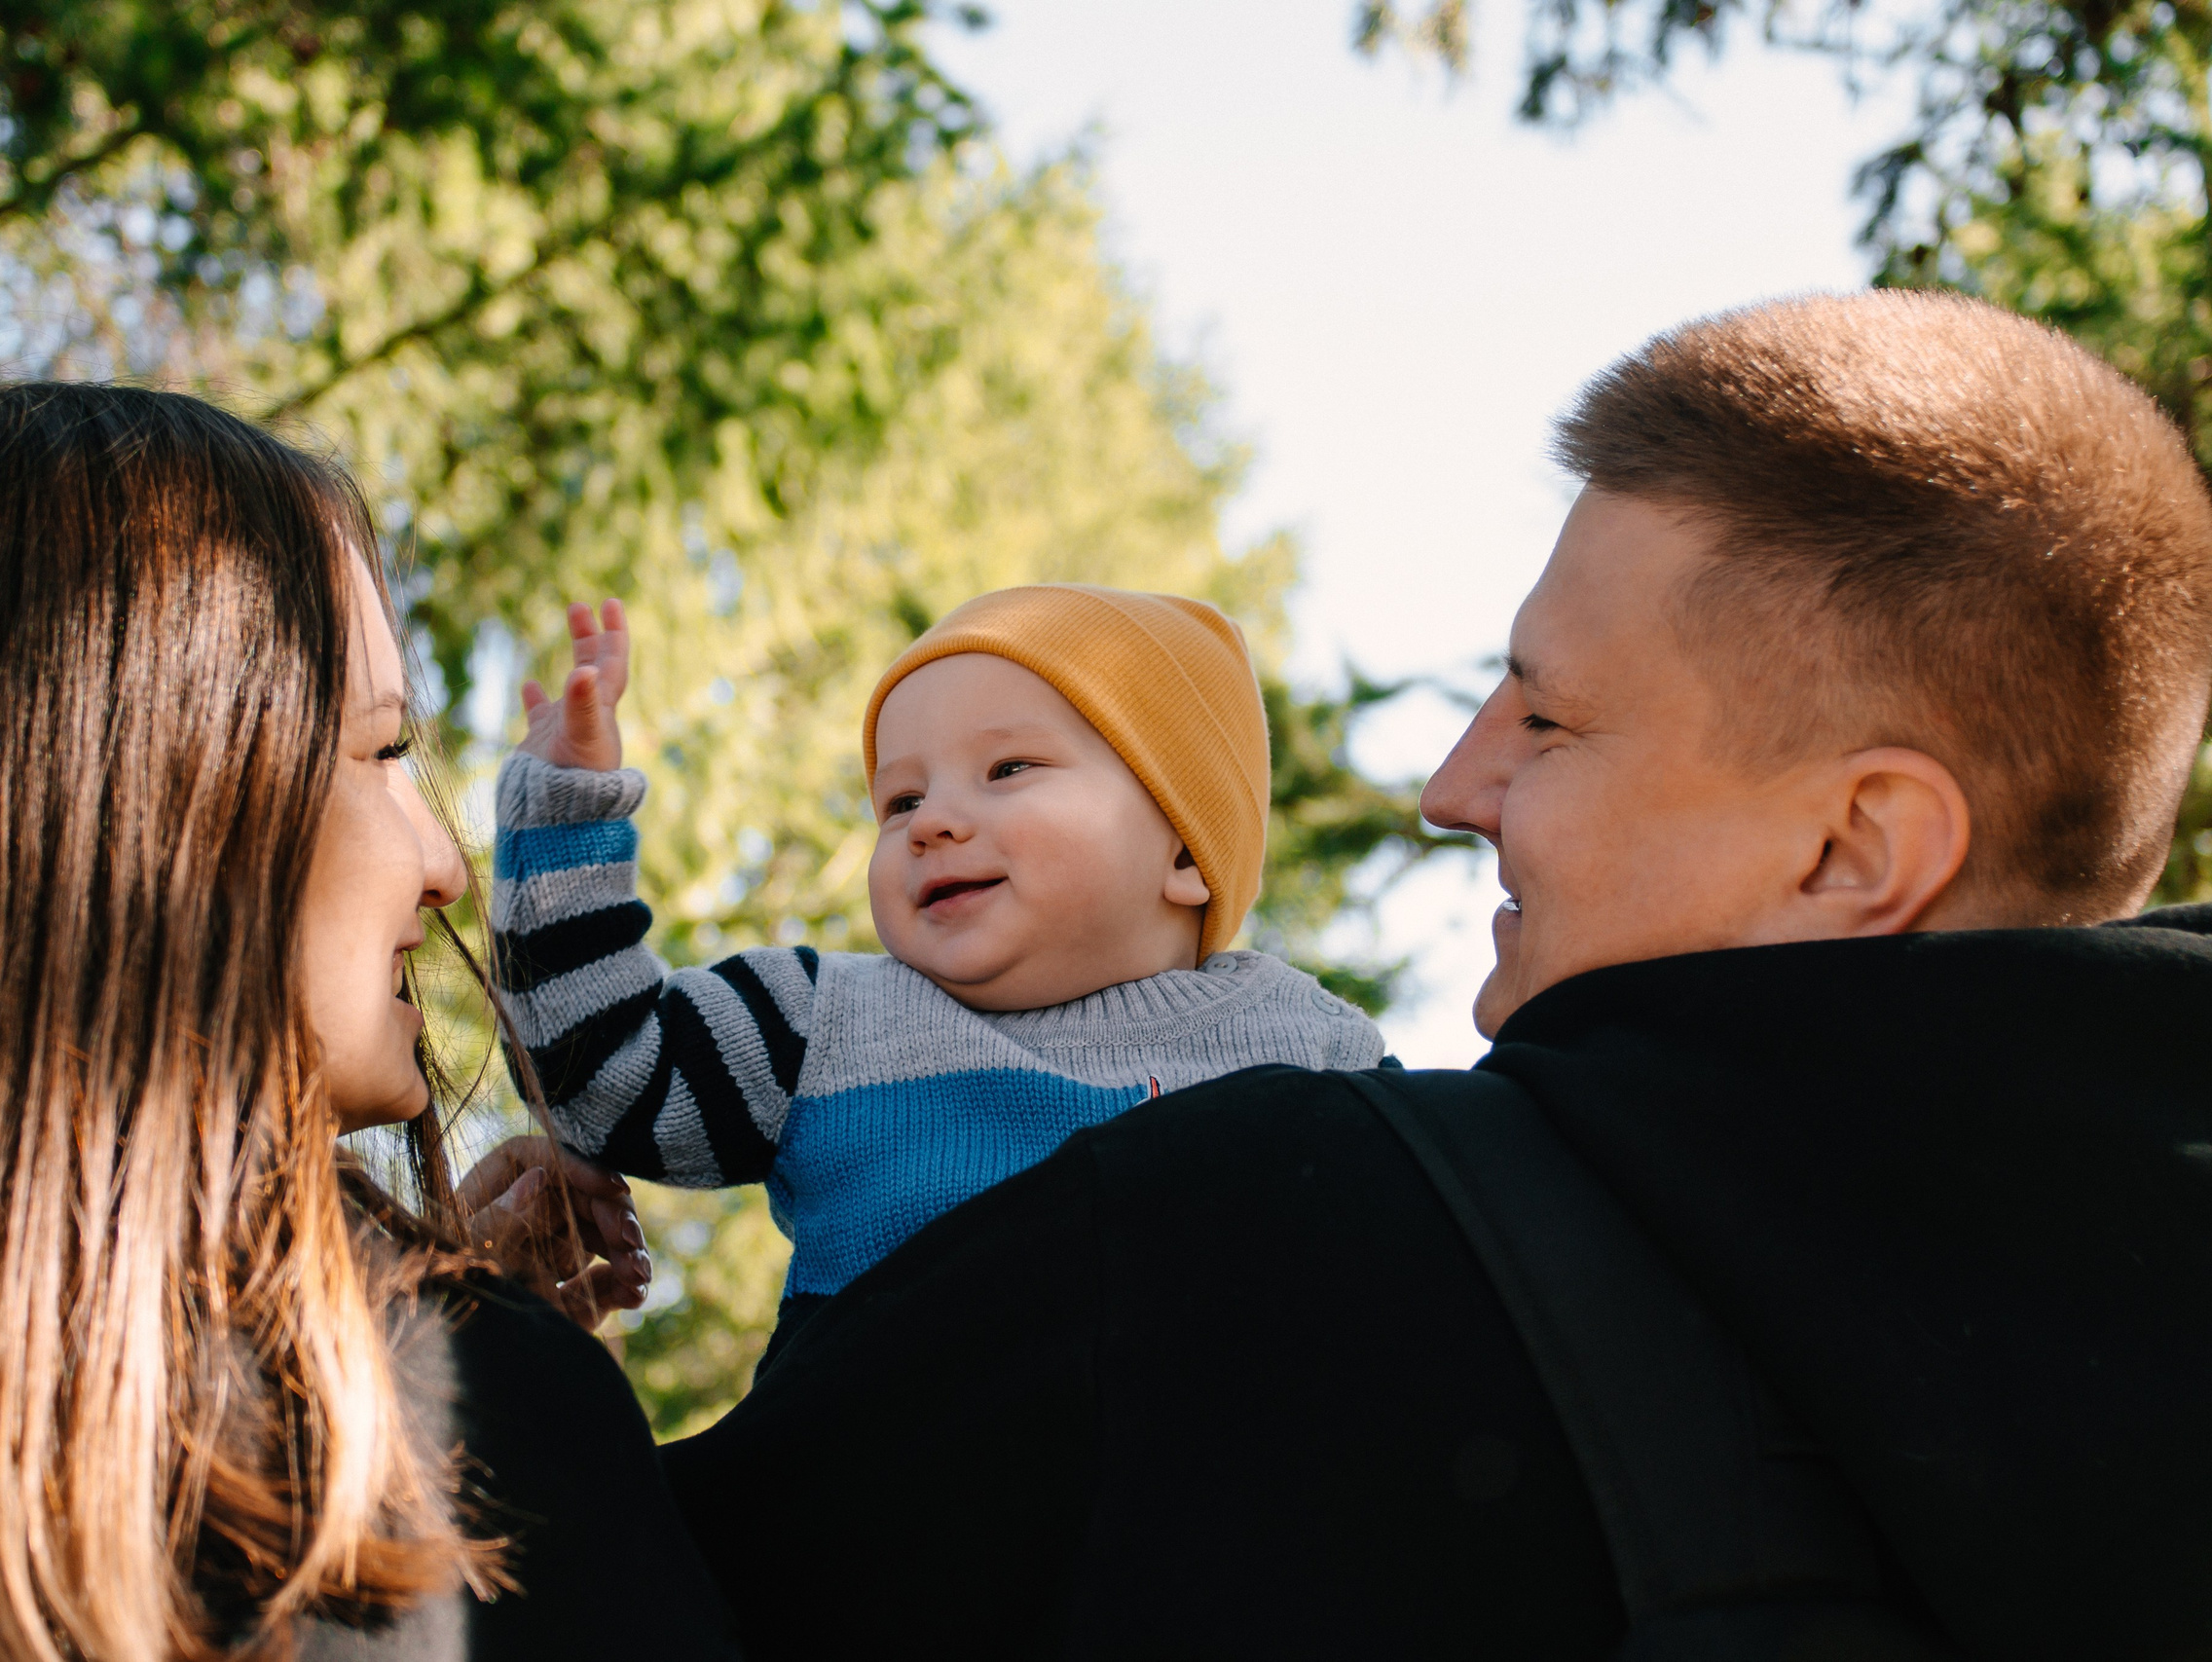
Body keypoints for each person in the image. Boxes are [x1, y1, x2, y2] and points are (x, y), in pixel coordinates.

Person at [656, 289, 2212, 1659]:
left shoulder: (1274, 1220)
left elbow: (612, 1601)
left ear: (1856, 847)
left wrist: (473, 1329)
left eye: (1545, 719)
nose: (1452, 787)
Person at [0, 385, 736, 1661]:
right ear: (145, 810)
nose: (445, 861)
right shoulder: (460, 1445)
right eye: (376, 755)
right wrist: (455, 1392)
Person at [488, 585, 1381, 1347]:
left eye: (1007, 767)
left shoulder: (1306, 1044)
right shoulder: (819, 1023)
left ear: (1186, 852)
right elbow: (599, 1070)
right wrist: (562, 817)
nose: (930, 821)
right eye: (901, 797)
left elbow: (1426, 1252)